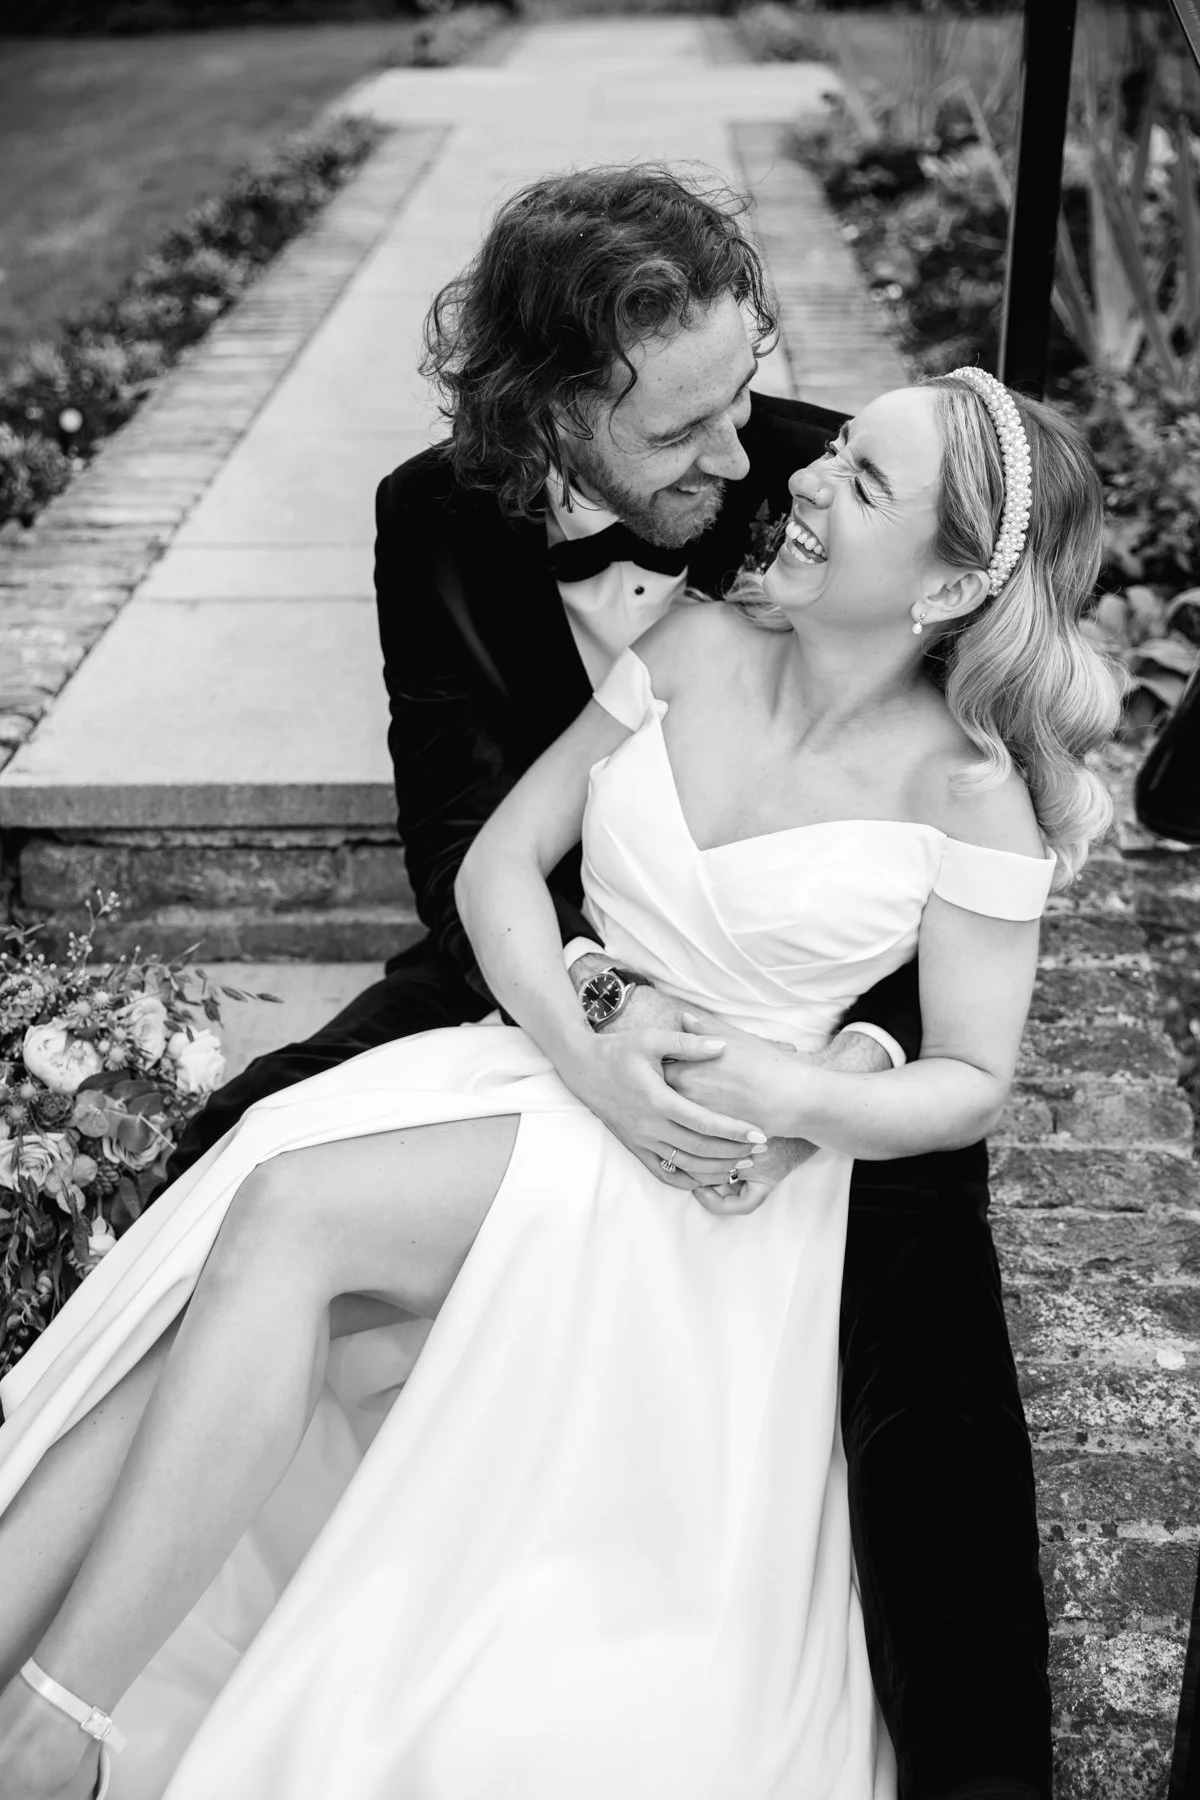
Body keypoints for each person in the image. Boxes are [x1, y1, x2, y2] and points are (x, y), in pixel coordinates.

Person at [0, 364, 1120, 1800]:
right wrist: (600, 1011)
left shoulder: (966, 792)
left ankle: (54, 1732)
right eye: (833, 452)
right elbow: (496, 866)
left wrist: (789, 1090)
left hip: (707, 1178)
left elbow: (970, 1079)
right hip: (545, 1063)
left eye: (864, 481)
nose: (806, 483)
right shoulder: (705, 642)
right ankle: (46, 1711)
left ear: (956, 583)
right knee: (237, 1243)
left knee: (291, 1212)